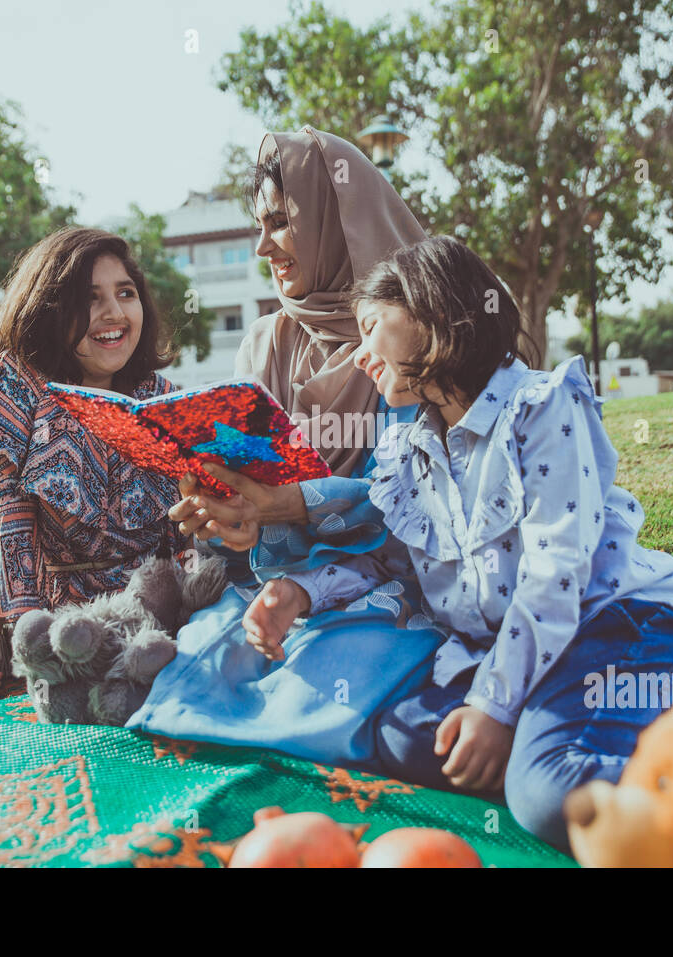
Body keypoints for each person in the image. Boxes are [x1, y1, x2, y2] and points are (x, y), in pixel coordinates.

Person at [242, 236, 673, 850]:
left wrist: (492, 706)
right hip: (513, 656)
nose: (359, 357)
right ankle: (542, 734)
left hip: (611, 629)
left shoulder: (541, 407)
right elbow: (392, 563)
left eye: (371, 327)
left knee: (546, 797)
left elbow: (556, 571)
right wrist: (298, 592)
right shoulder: (407, 450)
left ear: (432, 315)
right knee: (405, 736)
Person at [125, 128, 445, 768]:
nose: (263, 245)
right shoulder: (267, 339)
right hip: (269, 582)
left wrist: (281, 506)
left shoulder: (406, 333)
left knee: (328, 690)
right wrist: (223, 513)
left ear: (335, 223)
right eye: (258, 224)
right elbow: (252, 485)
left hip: (386, 575)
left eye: (281, 222)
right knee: (200, 672)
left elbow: (412, 497)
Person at [0, 227, 187, 708]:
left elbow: (179, 535)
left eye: (126, 293)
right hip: (44, 605)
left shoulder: (161, 397)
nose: (115, 313)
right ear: (51, 310)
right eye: (89, 298)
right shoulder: (19, 384)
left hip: (143, 602)